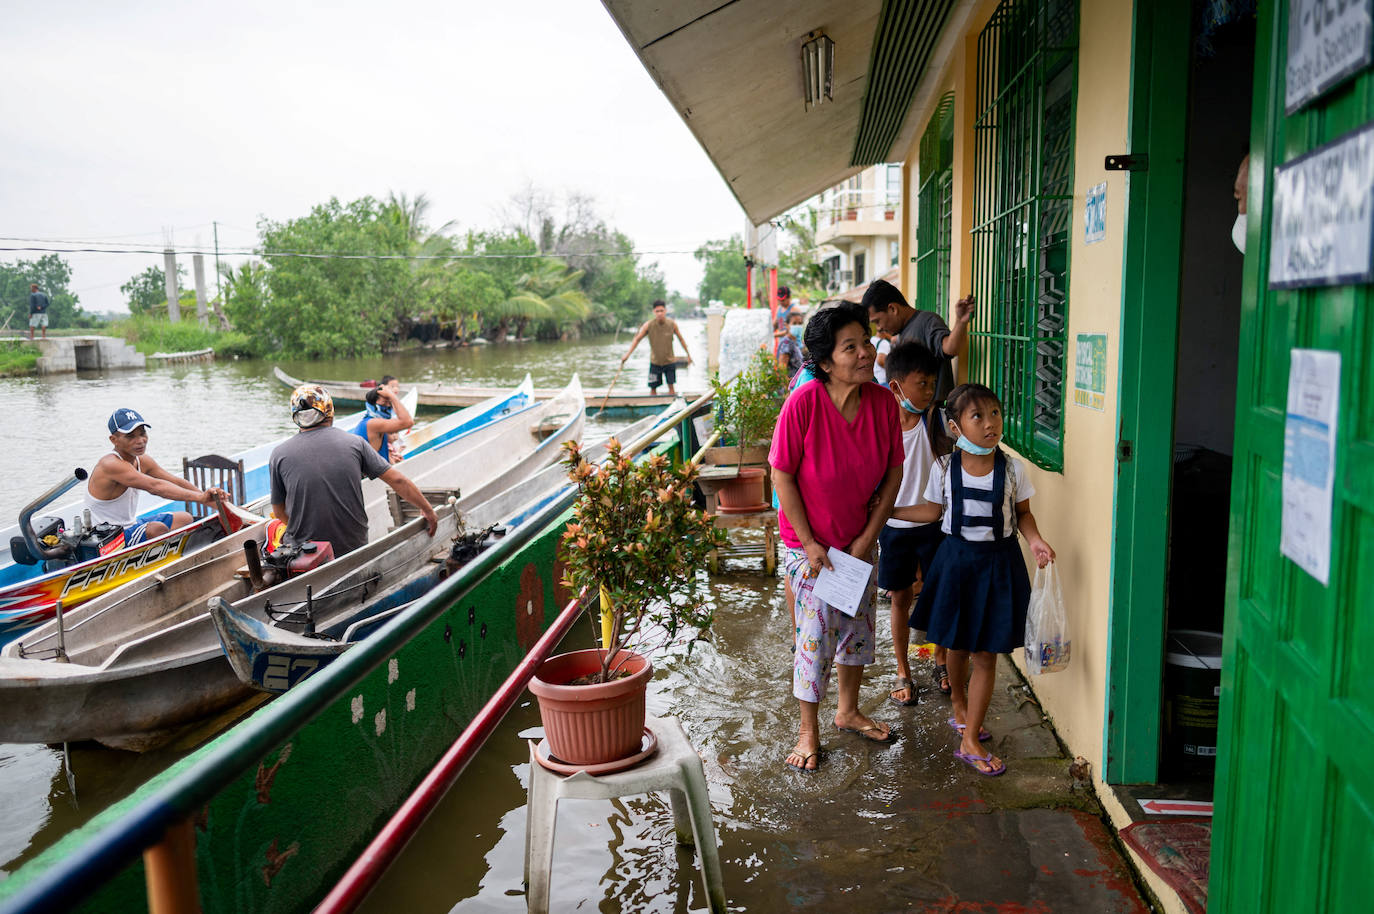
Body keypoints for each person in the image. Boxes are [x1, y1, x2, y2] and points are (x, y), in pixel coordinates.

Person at [770, 302, 905, 771]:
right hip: (810, 547)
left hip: (858, 542)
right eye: (852, 347)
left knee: (857, 628)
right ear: (826, 361)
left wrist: (867, 538)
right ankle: (808, 731)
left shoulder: (884, 403)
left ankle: (847, 711)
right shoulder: (803, 403)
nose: (867, 352)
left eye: (867, 342)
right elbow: (782, 475)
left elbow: (892, 476)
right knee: (815, 634)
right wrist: (809, 543)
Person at [898, 383, 1055, 776]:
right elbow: (932, 512)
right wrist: (889, 512)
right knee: (956, 644)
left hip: (999, 564)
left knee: (986, 653)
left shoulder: (1014, 468)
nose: (991, 424)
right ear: (955, 427)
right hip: (955, 563)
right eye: (978, 416)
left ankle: (969, 741)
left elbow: (1023, 514)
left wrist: (1035, 541)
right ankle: (960, 710)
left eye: (996, 414)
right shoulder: (944, 468)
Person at [270, 385, 437, 558]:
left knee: (274, 530)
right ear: (330, 411)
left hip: (304, 551)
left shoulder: (279, 454)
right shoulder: (354, 443)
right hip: (353, 547)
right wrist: (428, 511)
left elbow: (279, 511)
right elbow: (398, 481)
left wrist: (302, 532)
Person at [877, 343, 952, 707]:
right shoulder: (879, 426)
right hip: (893, 530)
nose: (928, 391)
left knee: (937, 596)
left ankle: (940, 662)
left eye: (932, 383)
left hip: (933, 525)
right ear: (896, 387)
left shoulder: (936, 420)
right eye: (921, 383)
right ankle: (903, 670)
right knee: (900, 599)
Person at [84, 408, 228, 546]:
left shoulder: (142, 460)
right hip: (107, 538)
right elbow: (156, 487)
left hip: (130, 525)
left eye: (142, 433)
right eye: (130, 436)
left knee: (185, 518)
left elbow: (175, 481)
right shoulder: (110, 464)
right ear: (113, 439)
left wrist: (216, 503)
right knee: (156, 529)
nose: (140, 440)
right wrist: (201, 498)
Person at [863, 278, 975, 400]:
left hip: (932, 413)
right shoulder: (902, 333)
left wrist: (961, 322)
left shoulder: (927, 322)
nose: (879, 328)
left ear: (892, 309)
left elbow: (950, 348)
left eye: (877, 321)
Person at [621, 300, 693, 396]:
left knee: (671, 388)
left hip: (669, 361)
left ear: (665, 311)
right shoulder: (649, 325)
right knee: (653, 388)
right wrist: (627, 355)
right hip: (655, 362)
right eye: (657, 311)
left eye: (661, 311)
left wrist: (688, 355)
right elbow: (637, 339)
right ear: (653, 312)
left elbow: (681, 340)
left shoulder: (672, 324)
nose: (659, 313)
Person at [353, 375, 413, 464]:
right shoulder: (373, 423)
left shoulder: (376, 421)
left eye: (390, 404)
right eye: (385, 402)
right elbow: (408, 422)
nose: (388, 406)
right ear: (372, 405)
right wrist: (392, 396)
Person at [775, 308, 806, 377]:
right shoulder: (786, 343)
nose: (798, 326)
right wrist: (787, 386)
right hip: (791, 386)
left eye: (800, 323)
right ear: (787, 325)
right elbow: (782, 371)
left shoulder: (796, 342)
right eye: (794, 323)